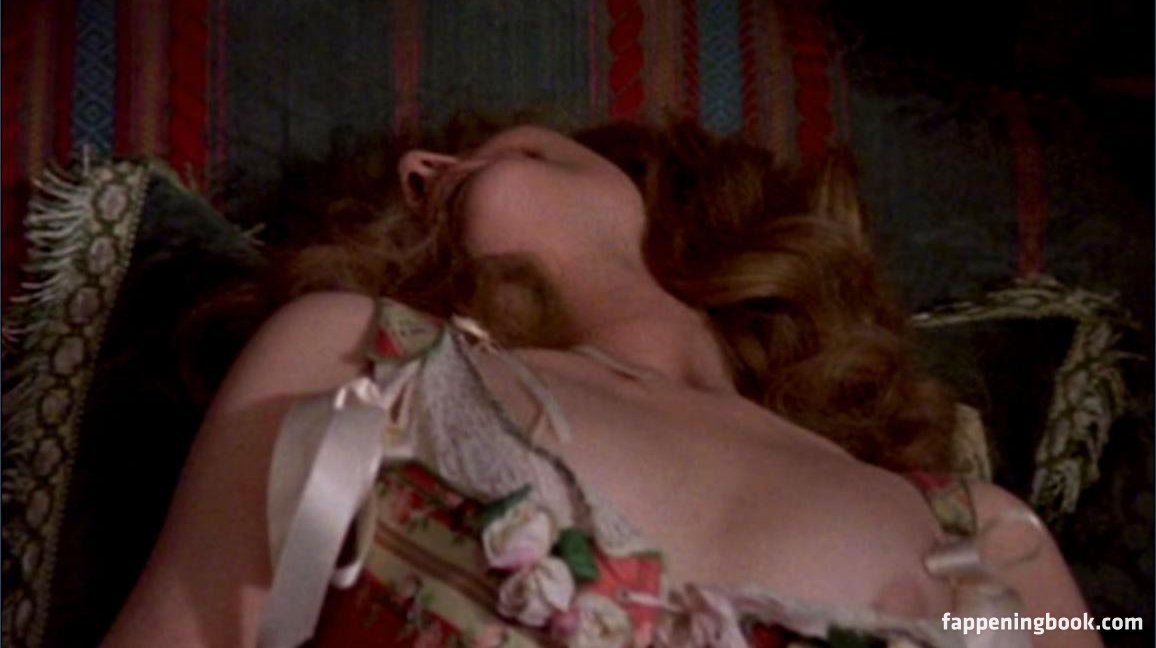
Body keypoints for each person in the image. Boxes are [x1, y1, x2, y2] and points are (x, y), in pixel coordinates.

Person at [103, 121, 1100, 647]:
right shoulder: (357, 356)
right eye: (415, 185)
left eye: (502, 137)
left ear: (660, 188)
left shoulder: (983, 534)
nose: (421, 164)